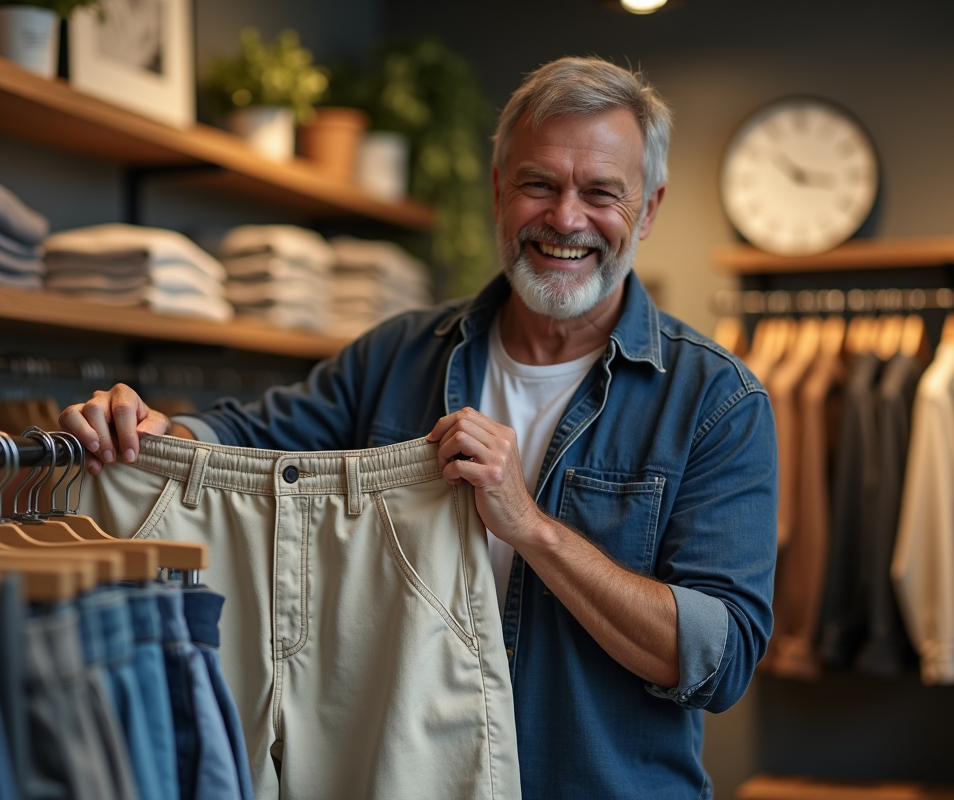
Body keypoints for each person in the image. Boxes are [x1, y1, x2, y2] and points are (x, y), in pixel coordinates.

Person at [61, 56, 777, 800]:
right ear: (499, 191)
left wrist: (530, 526)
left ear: (649, 210)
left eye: (601, 193)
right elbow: (245, 436)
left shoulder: (717, 404)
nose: (566, 218)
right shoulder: (395, 355)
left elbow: (716, 659)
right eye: (539, 184)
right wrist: (147, 429)